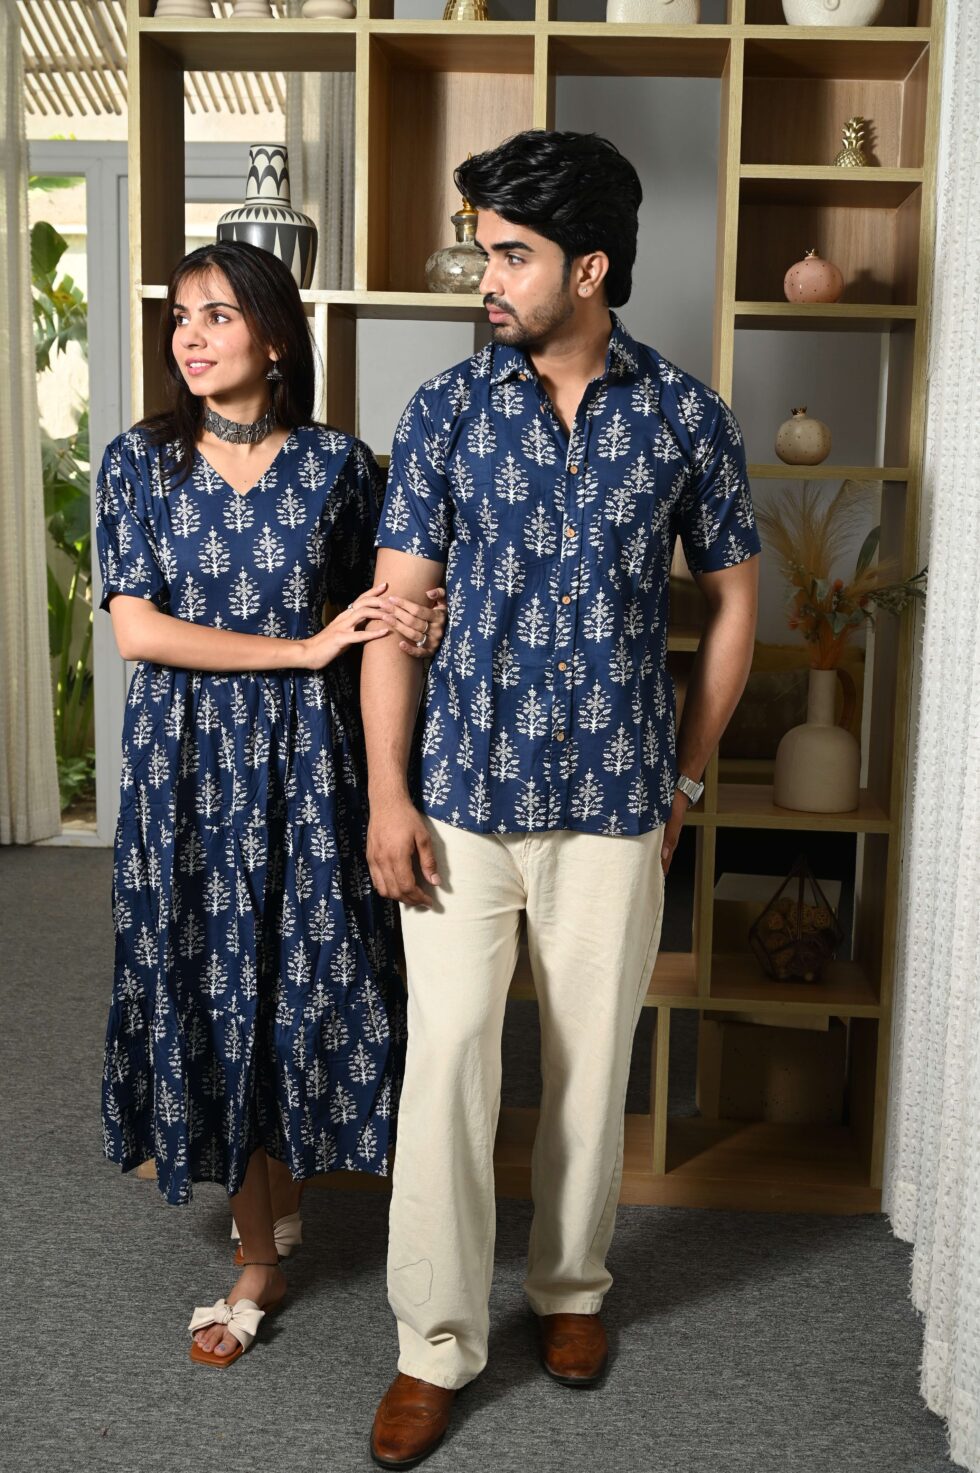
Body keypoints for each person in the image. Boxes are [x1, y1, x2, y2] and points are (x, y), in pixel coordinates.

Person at [360, 129, 761, 1465]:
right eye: (485, 249)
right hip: (461, 795)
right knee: (449, 1066)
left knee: (592, 1067)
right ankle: (432, 1344)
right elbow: (397, 611)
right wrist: (387, 794)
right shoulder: (444, 411)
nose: (487, 276)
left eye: (512, 254)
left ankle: (570, 1292)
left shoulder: (687, 416)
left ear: (589, 267)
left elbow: (736, 602)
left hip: (617, 798)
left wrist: (687, 774)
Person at [96, 239, 445, 1367]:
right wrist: (298, 649)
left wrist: (418, 619)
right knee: (212, 978)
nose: (190, 337)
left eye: (217, 315)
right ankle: (258, 1257)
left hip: (310, 766)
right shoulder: (139, 461)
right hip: (187, 768)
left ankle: (292, 1187)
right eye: (179, 318)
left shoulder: (343, 467)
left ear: (277, 336)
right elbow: (138, 628)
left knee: (311, 976)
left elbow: (386, 608)